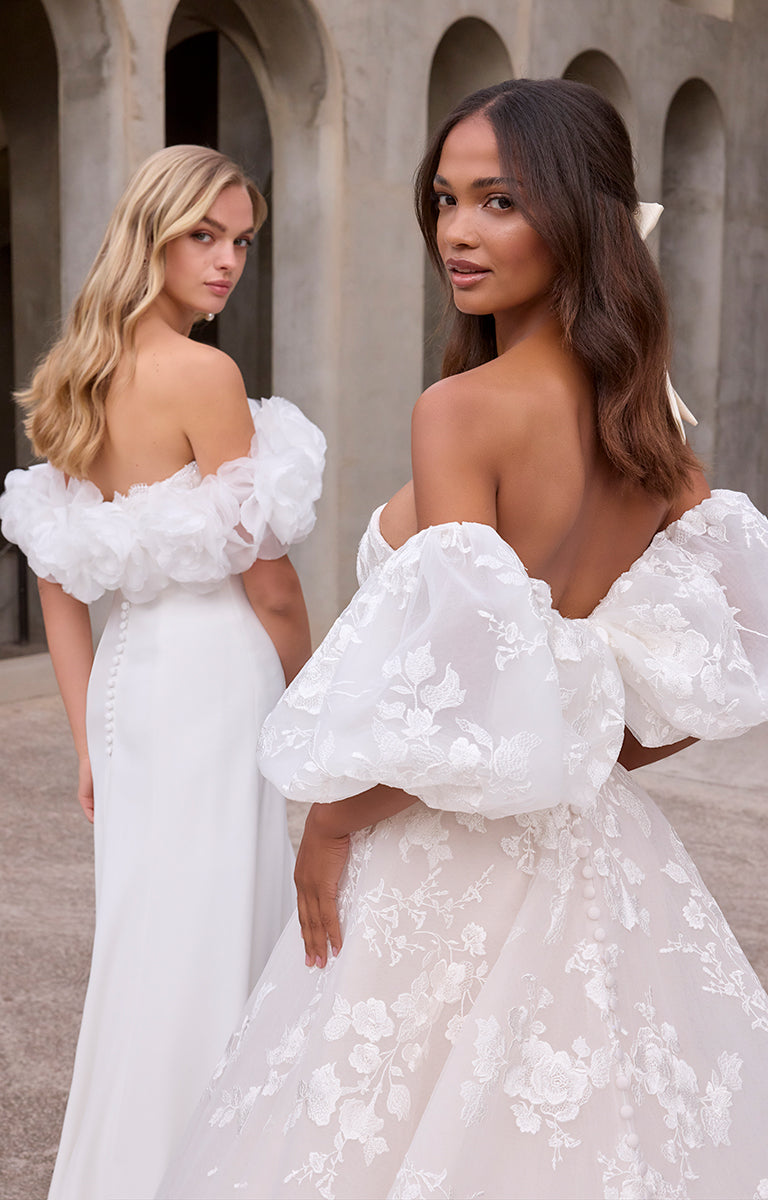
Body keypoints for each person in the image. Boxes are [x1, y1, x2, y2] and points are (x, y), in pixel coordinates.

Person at [158, 82, 768, 1199]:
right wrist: (578, 719)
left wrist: (332, 824)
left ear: (581, 216)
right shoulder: (658, 445)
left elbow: (465, 689)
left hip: (442, 860)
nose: (458, 232)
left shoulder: (462, 411)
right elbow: (665, 709)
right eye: (446, 199)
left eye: (499, 200)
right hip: (596, 861)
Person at [0, 144, 325, 1200]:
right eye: (206, 235)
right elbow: (268, 583)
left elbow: (59, 588)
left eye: (241, 241)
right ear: (152, 234)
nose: (228, 260)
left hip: (133, 690)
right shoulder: (206, 375)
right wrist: (317, 698)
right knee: (220, 922)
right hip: (216, 673)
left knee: (148, 936)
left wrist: (89, 738)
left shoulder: (71, 380)